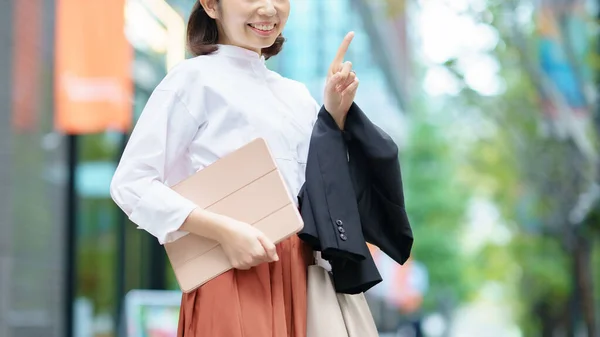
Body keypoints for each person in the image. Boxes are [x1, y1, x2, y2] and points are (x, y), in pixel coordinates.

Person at [109, 0, 359, 336]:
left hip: (300, 273)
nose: (269, 9)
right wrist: (224, 231)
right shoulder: (193, 79)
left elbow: (321, 193)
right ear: (211, 5)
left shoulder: (296, 95)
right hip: (230, 271)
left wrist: (333, 115)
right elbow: (131, 184)